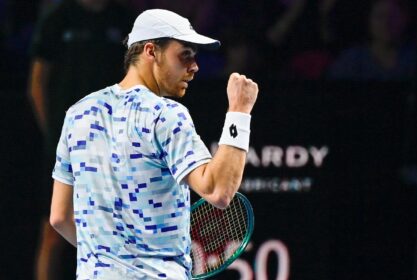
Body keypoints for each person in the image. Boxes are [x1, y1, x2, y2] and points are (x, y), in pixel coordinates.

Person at [49, 8, 258, 279]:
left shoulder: (78, 113)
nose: (194, 66)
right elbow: (218, 190)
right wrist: (239, 113)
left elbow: (59, 217)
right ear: (151, 51)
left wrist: (113, 259)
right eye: (185, 54)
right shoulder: (165, 114)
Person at [28, 0, 133, 279]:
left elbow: (133, 82)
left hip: (110, 147)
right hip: (64, 147)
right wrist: (55, 134)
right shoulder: (59, 19)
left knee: (113, 229)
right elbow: (37, 82)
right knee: (53, 230)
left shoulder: (123, 21)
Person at [327, 0, 416, 80]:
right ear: (369, 21)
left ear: (405, 19)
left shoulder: (414, 58)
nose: (386, 23)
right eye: (379, 17)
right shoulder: (351, 61)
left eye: (393, 17)